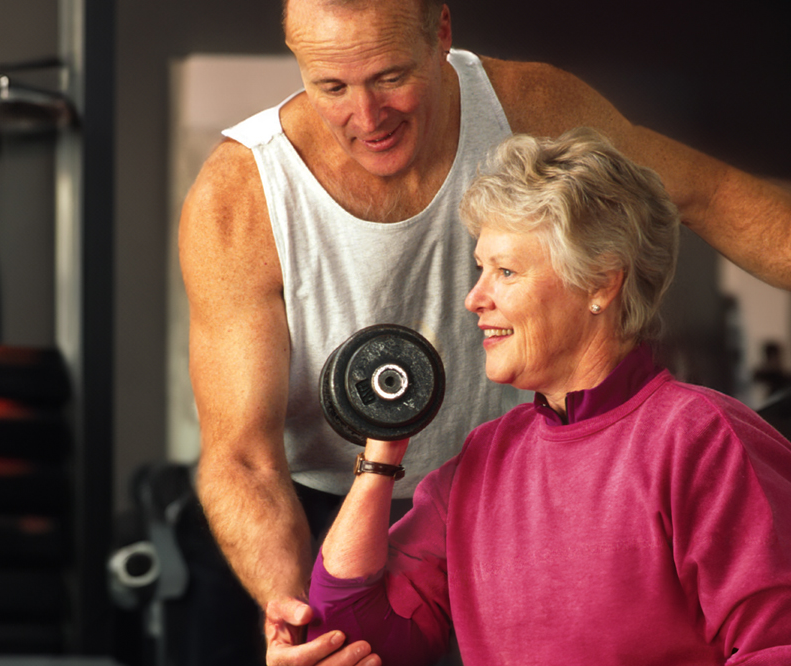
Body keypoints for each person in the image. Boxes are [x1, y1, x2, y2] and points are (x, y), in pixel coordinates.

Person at [177, 0, 791, 663]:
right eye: (332, 86)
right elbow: (242, 458)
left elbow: (704, 193)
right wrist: (304, 624)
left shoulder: (696, 442)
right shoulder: (240, 195)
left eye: (389, 76)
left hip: (523, 478)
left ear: (441, 32)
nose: (366, 115)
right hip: (331, 509)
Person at [307, 128, 791, 665]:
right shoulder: (484, 462)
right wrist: (385, 446)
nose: (474, 298)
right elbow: (355, 634)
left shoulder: (701, 439)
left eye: (506, 272)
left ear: (601, 284)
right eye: (480, 269)